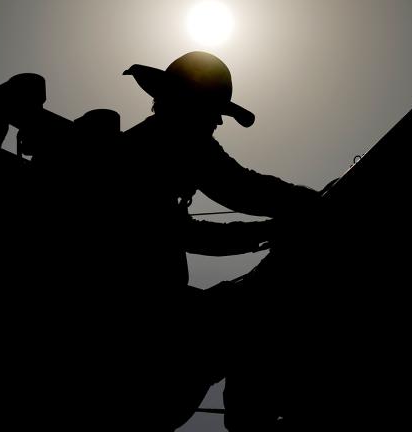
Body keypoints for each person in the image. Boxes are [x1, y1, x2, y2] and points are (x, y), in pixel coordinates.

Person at [115, 51, 320, 430]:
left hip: (151, 309)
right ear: (185, 105)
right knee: (253, 314)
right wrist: (308, 207)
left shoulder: (157, 142)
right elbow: (239, 189)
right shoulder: (175, 141)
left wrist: (271, 228)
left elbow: (195, 223)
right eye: (212, 114)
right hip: (143, 315)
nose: (214, 124)